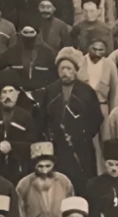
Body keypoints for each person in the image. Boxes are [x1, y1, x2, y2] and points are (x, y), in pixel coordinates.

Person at [41, 48, 103, 192]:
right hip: (57, 146)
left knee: (83, 183)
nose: (65, 72)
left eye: (69, 68)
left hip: (82, 147)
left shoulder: (87, 91)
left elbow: (96, 118)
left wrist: (82, 134)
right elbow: (43, 117)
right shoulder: (50, 91)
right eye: (62, 69)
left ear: (76, 70)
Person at [0, 74, 37, 186]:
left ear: (18, 94)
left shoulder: (26, 117)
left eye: (11, 91)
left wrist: (12, 146)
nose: (7, 96)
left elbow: (32, 143)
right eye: (4, 92)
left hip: (18, 167)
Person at [16, 142, 74, 217]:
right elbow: (20, 213)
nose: (44, 170)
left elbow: (71, 209)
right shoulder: (24, 184)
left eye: (48, 166)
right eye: (40, 166)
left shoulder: (64, 181)